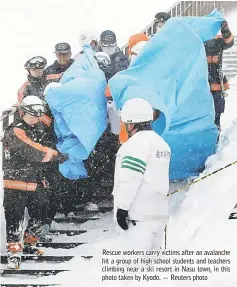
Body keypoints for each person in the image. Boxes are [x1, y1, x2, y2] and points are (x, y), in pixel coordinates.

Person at [3, 96, 68, 269]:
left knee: (40, 214)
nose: (35, 119)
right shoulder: (15, 130)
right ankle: (14, 253)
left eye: (37, 116)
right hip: (15, 183)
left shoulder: (34, 129)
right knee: (14, 220)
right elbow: (32, 151)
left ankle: (30, 245)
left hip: (34, 182)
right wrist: (55, 155)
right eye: (32, 116)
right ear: (22, 113)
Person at [112, 98, 170, 250]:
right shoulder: (161, 143)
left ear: (131, 123)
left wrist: (122, 208)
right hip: (159, 215)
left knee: (136, 268)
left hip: (139, 217)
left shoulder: (135, 145)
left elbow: (131, 179)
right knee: (152, 267)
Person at [204, 21, 234, 130]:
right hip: (202, 83)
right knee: (206, 112)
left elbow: (230, 42)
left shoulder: (218, 42)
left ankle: (216, 129)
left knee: (216, 111)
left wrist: (225, 29)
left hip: (216, 82)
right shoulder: (199, 42)